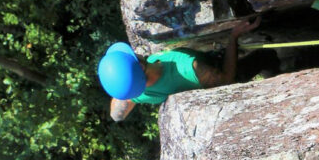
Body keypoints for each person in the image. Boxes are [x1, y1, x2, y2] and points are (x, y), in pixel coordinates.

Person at [100, 16, 261, 122]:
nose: (135, 52)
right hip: (227, 70)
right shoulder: (188, 67)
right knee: (266, 56)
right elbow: (227, 80)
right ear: (140, 65)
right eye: (132, 55)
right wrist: (233, 36)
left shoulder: (141, 93)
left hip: (210, 71)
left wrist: (124, 89)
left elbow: (116, 115)